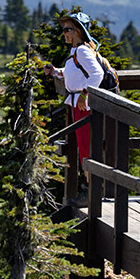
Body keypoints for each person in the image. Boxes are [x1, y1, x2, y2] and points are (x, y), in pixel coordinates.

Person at [44, 12, 102, 170]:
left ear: (78, 31)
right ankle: (91, 185)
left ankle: (93, 187)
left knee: (85, 148)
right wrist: (56, 72)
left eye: (67, 29)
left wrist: (84, 94)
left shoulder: (82, 51)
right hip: (78, 103)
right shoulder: (77, 50)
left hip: (83, 105)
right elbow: (75, 72)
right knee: (84, 147)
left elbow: (97, 74)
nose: (63, 33)